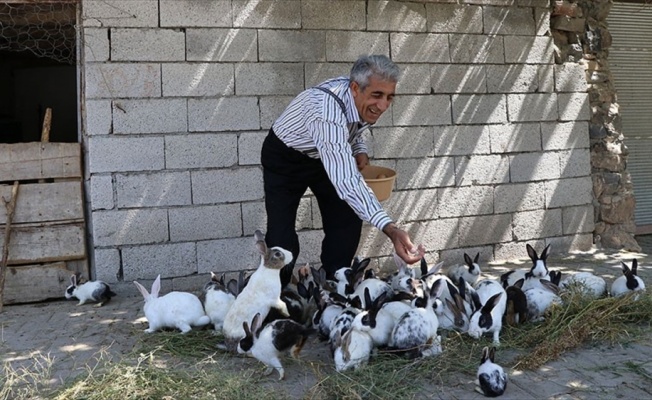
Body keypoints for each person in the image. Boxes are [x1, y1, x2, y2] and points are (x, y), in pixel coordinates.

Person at [261, 54, 425, 280]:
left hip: (324, 153)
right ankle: (272, 294)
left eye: (389, 97)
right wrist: (391, 229)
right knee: (282, 238)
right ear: (355, 88)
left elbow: (354, 121)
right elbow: (347, 182)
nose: (383, 105)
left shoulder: (358, 95)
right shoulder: (325, 111)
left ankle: (335, 284)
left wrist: (358, 148)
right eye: (377, 95)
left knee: (347, 220)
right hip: (285, 157)